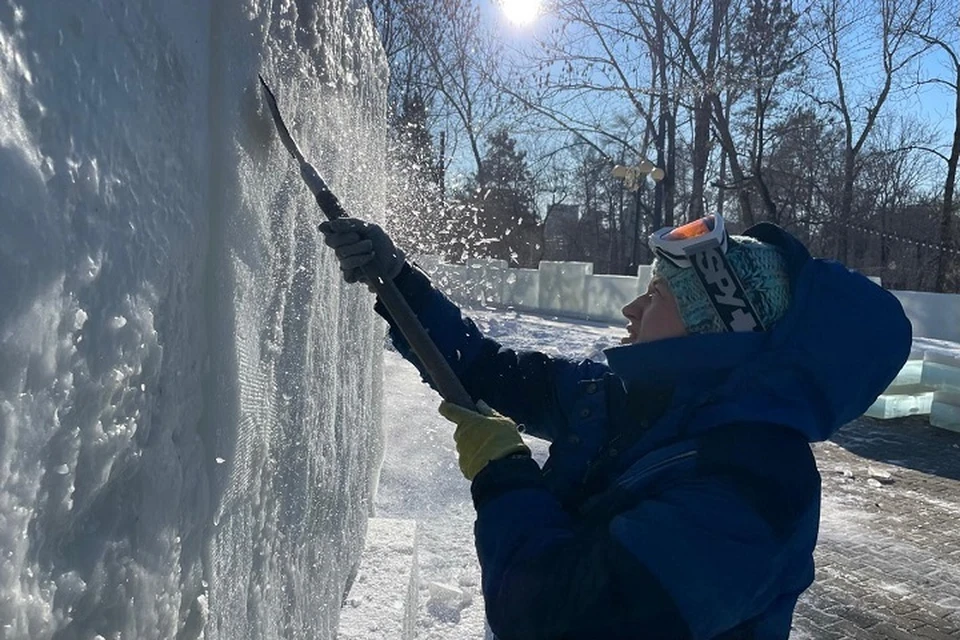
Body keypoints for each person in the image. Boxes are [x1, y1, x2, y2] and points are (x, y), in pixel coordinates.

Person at [320, 214, 912, 640]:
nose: (630, 311)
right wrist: (397, 280)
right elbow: (485, 368)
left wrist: (505, 475)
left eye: (656, 296)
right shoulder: (620, 399)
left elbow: (558, 621)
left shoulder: (757, 488)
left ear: (714, 328)